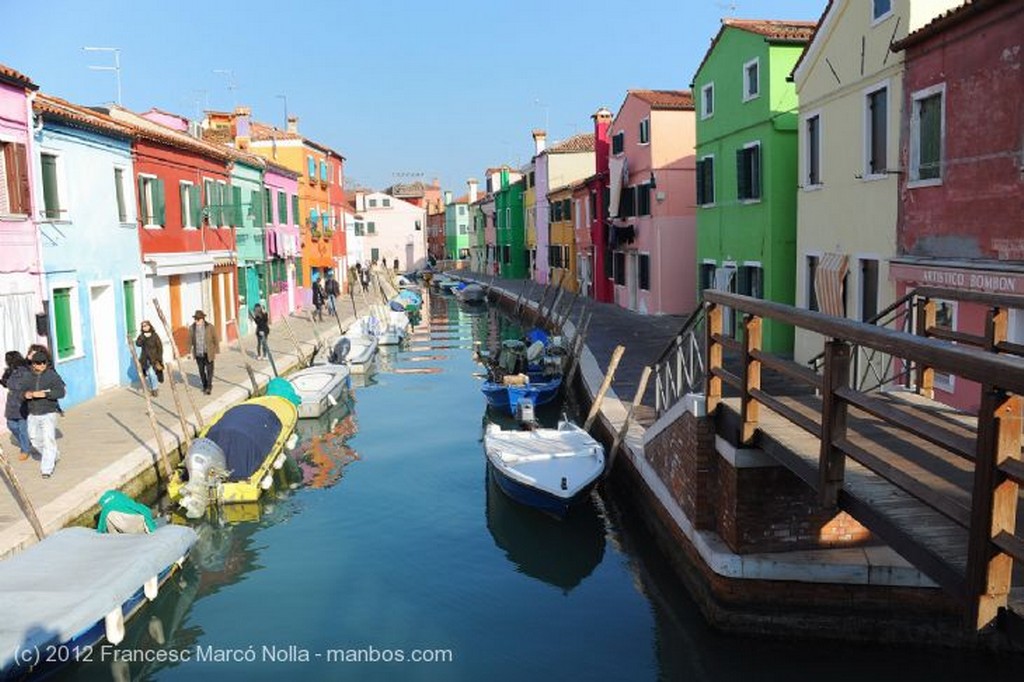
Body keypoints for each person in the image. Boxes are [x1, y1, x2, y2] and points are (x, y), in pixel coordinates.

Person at [17, 349, 65, 478]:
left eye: (44, 362)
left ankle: (46, 469)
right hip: (33, 413)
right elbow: (20, 393)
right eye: (39, 363)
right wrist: (25, 395)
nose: (42, 365)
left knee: (49, 440)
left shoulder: (52, 376)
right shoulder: (27, 377)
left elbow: (61, 392)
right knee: (34, 439)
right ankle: (53, 455)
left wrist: (45, 394)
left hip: (48, 413)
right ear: (33, 364)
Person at [2, 351, 32, 460]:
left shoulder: (25, 371)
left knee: (23, 428)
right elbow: (5, 383)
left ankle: (25, 450)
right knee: (11, 425)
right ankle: (26, 443)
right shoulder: (9, 371)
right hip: (11, 403)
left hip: (22, 402)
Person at [188, 310, 220, 395]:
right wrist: (189, 352)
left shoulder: (210, 327)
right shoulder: (192, 328)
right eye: (195, 319)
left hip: (208, 352)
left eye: (198, 319)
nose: (196, 321)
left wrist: (216, 350)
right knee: (201, 371)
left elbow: (215, 338)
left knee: (210, 370)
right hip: (198, 353)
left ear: (202, 319)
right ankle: (205, 385)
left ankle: (209, 386)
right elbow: (190, 340)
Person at [134, 320, 164, 397]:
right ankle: (153, 388)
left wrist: (159, 358)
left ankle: (155, 389)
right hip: (145, 359)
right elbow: (138, 344)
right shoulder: (142, 336)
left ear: (150, 326)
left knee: (152, 373)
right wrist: (143, 337)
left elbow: (159, 347)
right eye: (143, 326)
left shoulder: (155, 335)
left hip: (154, 358)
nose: (145, 327)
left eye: (146, 325)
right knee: (148, 374)